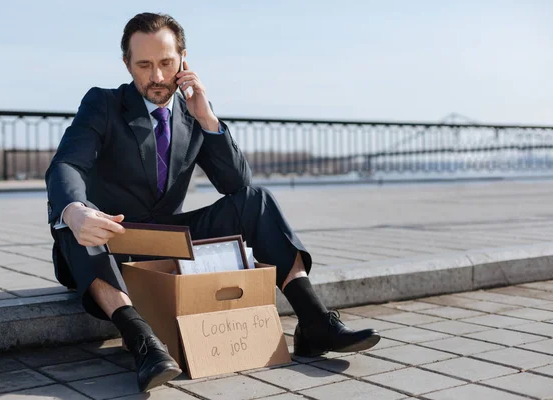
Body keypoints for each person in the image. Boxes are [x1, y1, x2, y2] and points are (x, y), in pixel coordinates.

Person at [45, 12, 380, 392]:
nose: (156, 76)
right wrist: (75, 210)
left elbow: (237, 184)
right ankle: (143, 343)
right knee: (76, 222)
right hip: (109, 241)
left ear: (183, 59)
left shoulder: (191, 113)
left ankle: (315, 322)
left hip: (165, 240)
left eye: (166, 63)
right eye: (144, 65)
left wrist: (207, 118)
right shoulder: (103, 104)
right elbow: (67, 165)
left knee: (257, 201)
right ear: (127, 65)